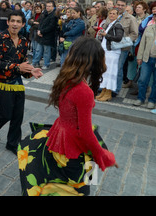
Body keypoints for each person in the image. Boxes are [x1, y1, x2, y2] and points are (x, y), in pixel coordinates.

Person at [18, 37, 118, 196]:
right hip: (75, 143)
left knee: (69, 178)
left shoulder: (67, 76)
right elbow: (86, 133)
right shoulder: (84, 90)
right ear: (94, 60)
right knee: (81, 188)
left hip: (61, 134)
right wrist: (102, 154)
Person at [0, 10, 43, 155]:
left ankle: (12, 143)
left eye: (18, 22)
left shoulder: (24, 41)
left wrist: (30, 71)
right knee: (5, 114)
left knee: (18, 115)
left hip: (17, 83)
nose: (15, 24)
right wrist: (18, 67)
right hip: (1, 82)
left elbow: (22, 63)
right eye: (13, 21)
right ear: (8, 22)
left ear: (23, 24)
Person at [134, 9, 156, 109]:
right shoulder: (149, 28)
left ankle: (152, 100)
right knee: (143, 80)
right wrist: (139, 57)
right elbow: (142, 43)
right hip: (147, 59)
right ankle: (141, 98)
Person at [95, 8, 125, 102]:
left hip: (113, 52)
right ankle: (104, 91)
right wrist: (102, 35)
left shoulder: (118, 25)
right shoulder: (109, 24)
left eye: (114, 14)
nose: (112, 15)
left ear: (117, 15)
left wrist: (105, 35)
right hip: (106, 51)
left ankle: (108, 93)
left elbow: (119, 38)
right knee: (105, 72)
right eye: (110, 13)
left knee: (110, 73)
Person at [113, 0, 138, 96]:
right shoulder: (112, 15)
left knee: (118, 69)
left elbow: (134, 34)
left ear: (126, 6)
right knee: (110, 67)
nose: (120, 7)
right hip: (110, 47)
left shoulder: (131, 18)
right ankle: (107, 86)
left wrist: (123, 42)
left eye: (122, 5)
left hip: (122, 48)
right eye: (118, 5)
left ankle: (116, 89)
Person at [32, 0, 57, 69]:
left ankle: (46, 64)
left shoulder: (54, 15)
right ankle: (34, 62)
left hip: (48, 36)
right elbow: (41, 23)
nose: (48, 7)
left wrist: (42, 31)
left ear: (53, 7)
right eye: (47, 6)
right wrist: (39, 31)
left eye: (49, 6)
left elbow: (51, 27)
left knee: (46, 51)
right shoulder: (44, 13)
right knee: (38, 50)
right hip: (41, 35)